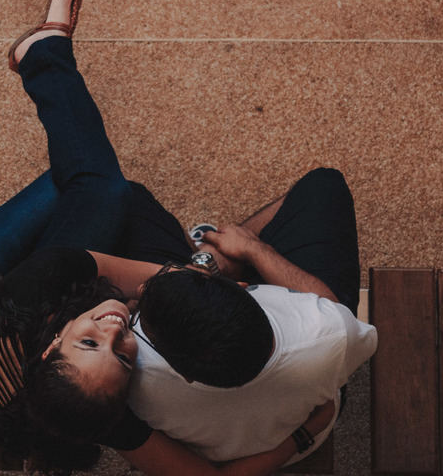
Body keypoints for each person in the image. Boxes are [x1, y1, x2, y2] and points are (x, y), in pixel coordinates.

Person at [0, 0, 334, 476]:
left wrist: (207, 272)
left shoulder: (36, 290)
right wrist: (297, 439)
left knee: (99, 186)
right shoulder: (93, 401)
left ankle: (43, 52)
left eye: (88, 342)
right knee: (92, 180)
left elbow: (162, 276)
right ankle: (41, 50)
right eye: (123, 357)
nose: (114, 330)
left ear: (51, 347)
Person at [121, 169, 378, 469]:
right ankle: (227, 248)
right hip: (299, 435)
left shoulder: (129, 375)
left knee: (127, 198)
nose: (141, 288)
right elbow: (333, 311)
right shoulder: (330, 335)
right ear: (245, 288)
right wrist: (255, 250)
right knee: (324, 183)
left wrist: (204, 265)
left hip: (209, 452)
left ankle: (205, 254)